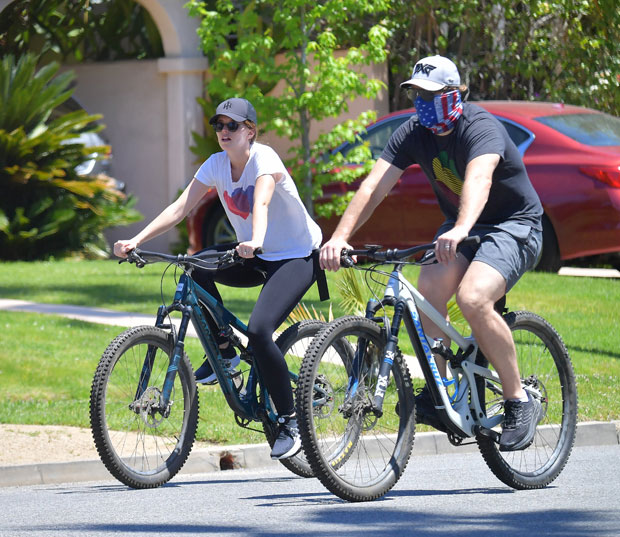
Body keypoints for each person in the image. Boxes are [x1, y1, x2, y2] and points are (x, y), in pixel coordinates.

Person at [320, 55, 544, 452]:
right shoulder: (413, 132)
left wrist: (460, 228)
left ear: (455, 94)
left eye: (431, 95)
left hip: (514, 225)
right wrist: (339, 236)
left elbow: (479, 178)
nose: (422, 103)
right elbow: (374, 187)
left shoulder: (480, 127)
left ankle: (517, 400)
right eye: (416, 95)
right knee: (427, 295)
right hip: (462, 228)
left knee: (473, 298)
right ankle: (442, 391)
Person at [114, 97, 323, 460]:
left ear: (250, 131)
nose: (223, 132)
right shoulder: (216, 165)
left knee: (259, 332)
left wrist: (255, 241)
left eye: (232, 126)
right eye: (219, 125)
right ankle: (226, 354)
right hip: (254, 253)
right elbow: (180, 208)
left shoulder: (265, 159)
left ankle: (290, 420)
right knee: (194, 266)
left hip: (296, 254)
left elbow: (261, 202)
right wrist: (136, 240)